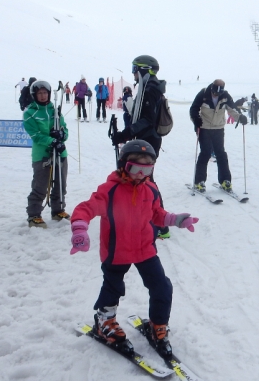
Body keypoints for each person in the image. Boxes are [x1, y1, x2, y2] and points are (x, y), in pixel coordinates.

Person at [69, 140, 199, 357]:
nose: (141, 174)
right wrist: (80, 229)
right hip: (116, 249)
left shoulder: (151, 189)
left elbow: (157, 213)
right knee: (113, 288)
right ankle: (104, 321)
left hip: (144, 249)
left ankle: (157, 325)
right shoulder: (110, 190)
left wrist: (176, 220)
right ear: (123, 165)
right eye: (135, 168)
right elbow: (86, 208)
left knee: (162, 287)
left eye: (147, 169)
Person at [111, 55, 170, 238]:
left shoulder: (150, 89)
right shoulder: (148, 87)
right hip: (147, 140)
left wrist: (125, 134)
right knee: (142, 179)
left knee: (145, 181)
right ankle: (151, 220)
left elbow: (147, 120)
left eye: (135, 69)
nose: (133, 74)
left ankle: (160, 224)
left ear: (143, 70)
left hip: (148, 141)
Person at [22, 80, 70, 228]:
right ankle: (34, 214)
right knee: (41, 185)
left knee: (60, 183)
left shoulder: (55, 111)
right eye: (39, 93)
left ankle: (58, 209)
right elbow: (36, 135)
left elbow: (65, 130)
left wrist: (61, 135)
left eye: (45, 93)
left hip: (60, 152)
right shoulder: (30, 113)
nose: (43, 96)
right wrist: (52, 140)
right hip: (42, 154)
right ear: (34, 95)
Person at [189, 79, 247, 193]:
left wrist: (240, 117)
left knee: (220, 153)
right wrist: (196, 119)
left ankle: (225, 180)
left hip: (218, 128)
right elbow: (194, 109)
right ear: (212, 88)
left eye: (219, 93)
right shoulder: (203, 94)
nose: (216, 94)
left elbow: (232, 109)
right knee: (205, 153)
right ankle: (199, 181)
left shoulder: (225, 96)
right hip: (204, 127)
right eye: (215, 92)